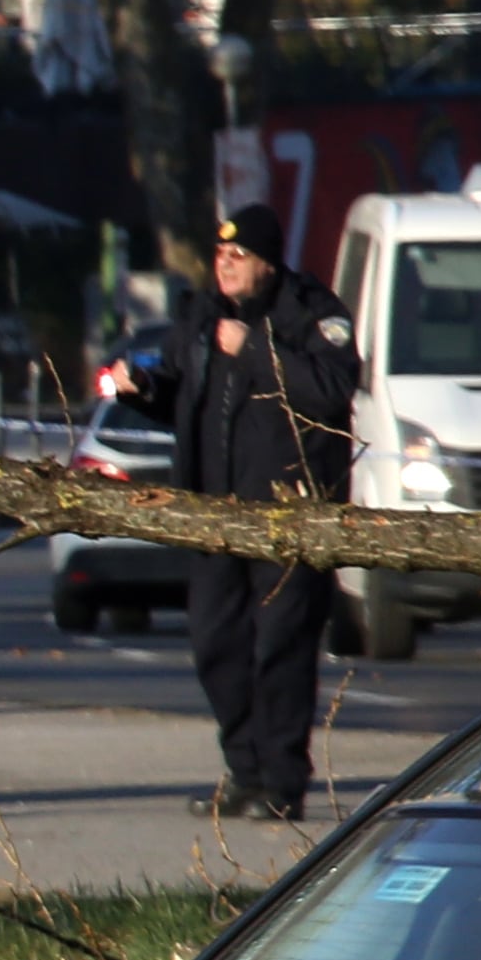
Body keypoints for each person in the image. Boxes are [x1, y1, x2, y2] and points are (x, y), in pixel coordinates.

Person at [176, 200, 362, 821]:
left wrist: (256, 347)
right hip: (216, 512)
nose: (224, 265)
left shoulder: (313, 311)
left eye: (239, 256)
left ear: (268, 262)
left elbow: (334, 388)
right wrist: (143, 389)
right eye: (220, 255)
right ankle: (244, 770)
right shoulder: (206, 314)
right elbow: (191, 398)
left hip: (291, 515)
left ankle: (282, 782)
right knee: (216, 645)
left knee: (280, 648)